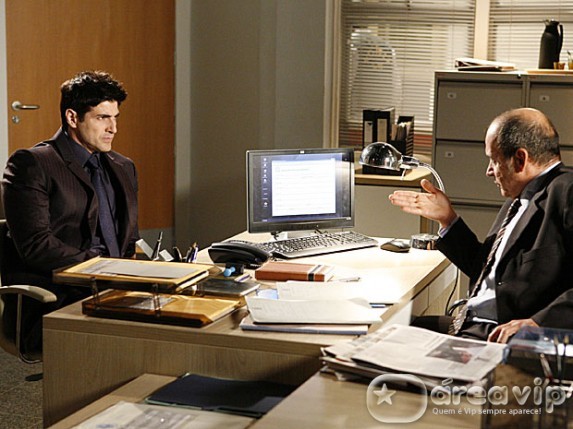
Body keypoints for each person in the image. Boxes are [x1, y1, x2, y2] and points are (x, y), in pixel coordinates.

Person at [389, 108, 573, 343]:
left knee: (387, 343)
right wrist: (448, 219)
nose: (489, 171)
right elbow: (484, 270)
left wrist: (538, 323)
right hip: (469, 323)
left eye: (494, 160)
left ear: (520, 159)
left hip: (501, 335)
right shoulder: (517, 200)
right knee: (391, 329)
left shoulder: (567, 192)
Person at [1, 70, 139, 353]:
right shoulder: (32, 164)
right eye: (102, 118)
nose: (113, 128)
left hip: (115, 287)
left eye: (115, 118)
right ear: (73, 118)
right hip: (61, 295)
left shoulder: (123, 166)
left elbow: (128, 242)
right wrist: (103, 268)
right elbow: (36, 246)